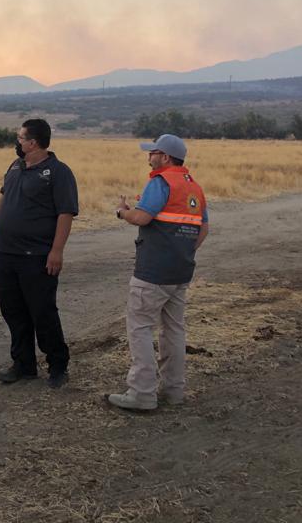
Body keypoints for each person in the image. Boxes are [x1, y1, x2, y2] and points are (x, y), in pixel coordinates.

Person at [109, 134, 208, 411]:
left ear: (165, 157)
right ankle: (174, 391)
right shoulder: (194, 188)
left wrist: (122, 212)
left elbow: (142, 217)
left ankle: (142, 393)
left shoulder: (161, 181)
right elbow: (203, 230)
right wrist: (182, 251)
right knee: (174, 330)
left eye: (152, 152)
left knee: (139, 327)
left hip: (153, 271)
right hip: (181, 270)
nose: (148, 156)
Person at [0, 118, 78, 388]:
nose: (17, 142)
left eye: (20, 137)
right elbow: (4, 200)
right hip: (6, 254)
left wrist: (57, 251)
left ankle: (58, 366)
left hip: (37, 256)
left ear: (33, 142)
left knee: (42, 312)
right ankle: (23, 365)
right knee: (13, 312)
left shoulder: (58, 172)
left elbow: (65, 213)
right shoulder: (15, 166)